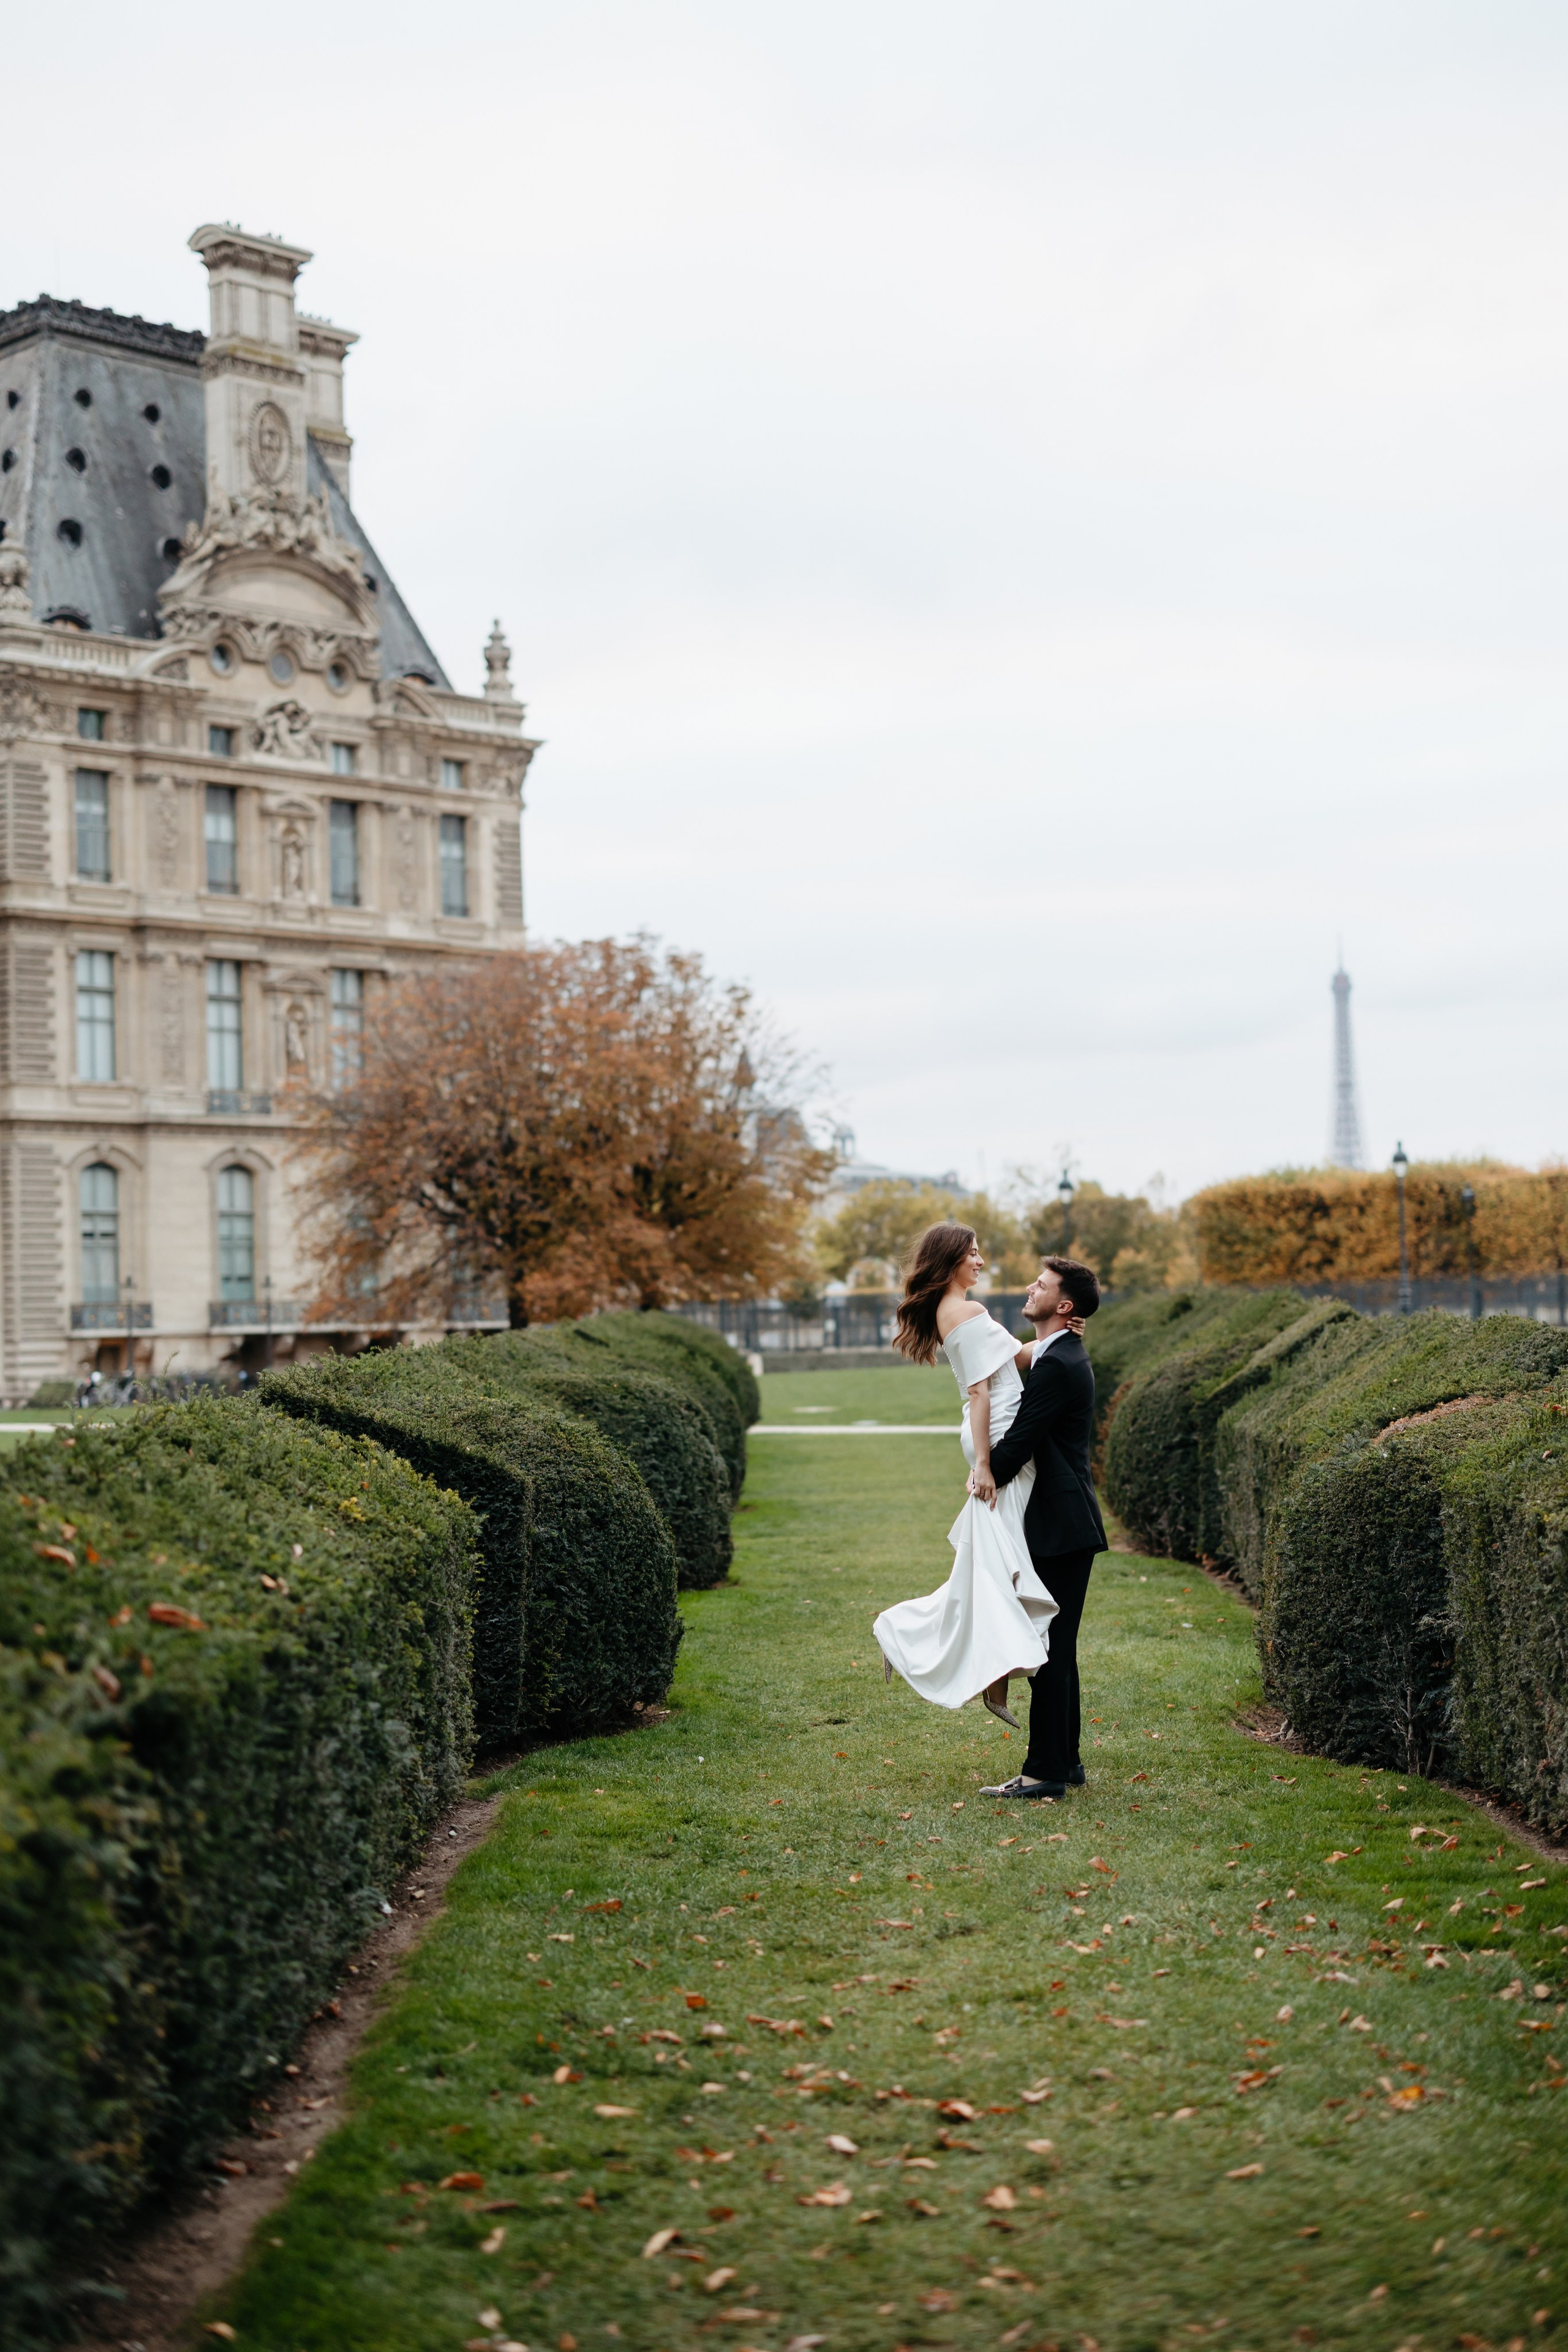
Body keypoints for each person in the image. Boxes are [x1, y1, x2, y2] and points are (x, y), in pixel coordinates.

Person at [872, 1223, 1061, 1725]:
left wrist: (1059, 1335)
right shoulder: (965, 1310)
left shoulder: (952, 1312)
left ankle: (985, 1674)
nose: (980, 1262)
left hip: (993, 1428)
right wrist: (984, 1463)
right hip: (996, 1433)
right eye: (973, 1255)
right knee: (998, 1558)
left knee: (991, 1559)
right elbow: (981, 1392)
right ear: (952, 1259)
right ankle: (912, 1633)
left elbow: (1015, 1359)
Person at [978, 1254, 1107, 1801]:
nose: (1031, 1289)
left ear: (1065, 1305)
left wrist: (985, 1474)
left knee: (1048, 1647)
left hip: (1060, 1522)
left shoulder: (1059, 1363)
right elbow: (1013, 1359)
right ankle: (1067, 1761)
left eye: (1042, 1285)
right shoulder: (1059, 1352)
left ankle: (1043, 1771)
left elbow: (1022, 1439)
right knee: (1060, 1646)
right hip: (1069, 1520)